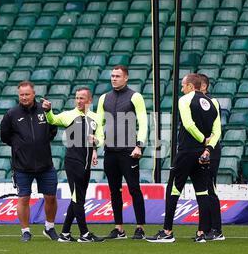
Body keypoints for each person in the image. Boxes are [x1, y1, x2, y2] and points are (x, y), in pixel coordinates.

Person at [146, 73, 221, 243]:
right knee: (202, 192)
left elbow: (188, 124)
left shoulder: (185, 100)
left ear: (190, 86)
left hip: (187, 151)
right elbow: (217, 132)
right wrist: (208, 148)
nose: (181, 89)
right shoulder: (213, 102)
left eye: (183, 85)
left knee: (173, 189)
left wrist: (201, 139)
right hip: (203, 154)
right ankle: (201, 233)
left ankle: (167, 232)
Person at [42, 87, 105, 242]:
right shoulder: (68, 115)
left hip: (86, 164)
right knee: (78, 198)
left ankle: (65, 233)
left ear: (89, 100)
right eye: (77, 98)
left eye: (82, 98)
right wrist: (49, 111)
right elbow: (52, 120)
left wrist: (96, 143)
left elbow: (101, 138)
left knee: (78, 198)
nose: (78, 101)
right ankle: (84, 234)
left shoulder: (96, 118)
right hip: (73, 162)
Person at [0, 81, 59, 242]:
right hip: (22, 166)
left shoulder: (44, 110)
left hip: (45, 164)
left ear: (34, 94)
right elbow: (5, 136)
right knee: (24, 199)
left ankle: (50, 227)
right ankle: (25, 231)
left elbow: (53, 129)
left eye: (27, 94)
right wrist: (20, 146)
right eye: (21, 95)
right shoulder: (11, 114)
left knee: (51, 197)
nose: (24, 97)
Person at [96, 65, 148, 240]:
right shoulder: (104, 98)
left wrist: (139, 146)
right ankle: (119, 228)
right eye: (112, 76)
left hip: (129, 150)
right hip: (110, 151)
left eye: (117, 76)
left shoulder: (135, 97)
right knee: (114, 190)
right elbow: (98, 123)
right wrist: (96, 146)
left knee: (134, 189)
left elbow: (143, 122)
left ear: (126, 78)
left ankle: (140, 227)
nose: (114, 78)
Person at [197, 73, 224, 241]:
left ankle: (217, 229)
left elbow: (215, 130)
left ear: (204, 86)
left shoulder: (212, 102)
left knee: (209, 188)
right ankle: (205, 229)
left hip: (210, 150)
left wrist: (208, 147)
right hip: (197, 149)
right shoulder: (191, 103)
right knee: (202, 190)